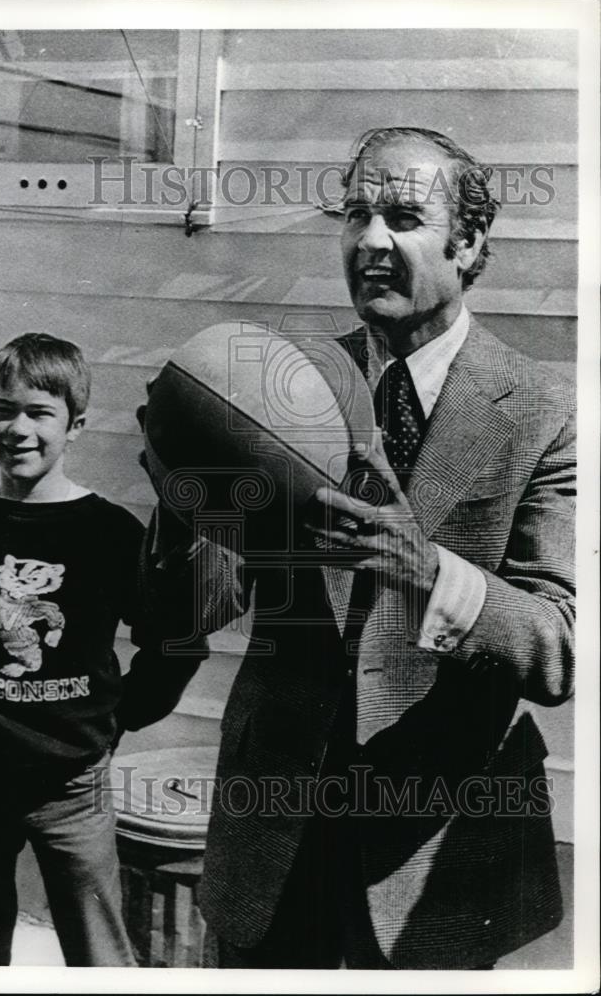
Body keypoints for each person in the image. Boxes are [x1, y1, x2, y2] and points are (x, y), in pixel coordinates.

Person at [139, 127, 575, 969]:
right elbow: (192, 612)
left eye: (404, 216)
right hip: (276, 832)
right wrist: (182, 500)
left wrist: (427, 573)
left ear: (470, 242)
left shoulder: (543, 412)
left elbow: (560, 647)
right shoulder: (276, 387)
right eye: (356, 215)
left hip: (433, 854)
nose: (371, 241)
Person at [0, 333, 200, 966]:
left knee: (98, 951)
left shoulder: (107, 535)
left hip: (72, 786)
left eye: (39, 413)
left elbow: (177, 641)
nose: (18, 429)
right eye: (4, 409)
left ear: (74, 425)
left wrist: (119, 716)